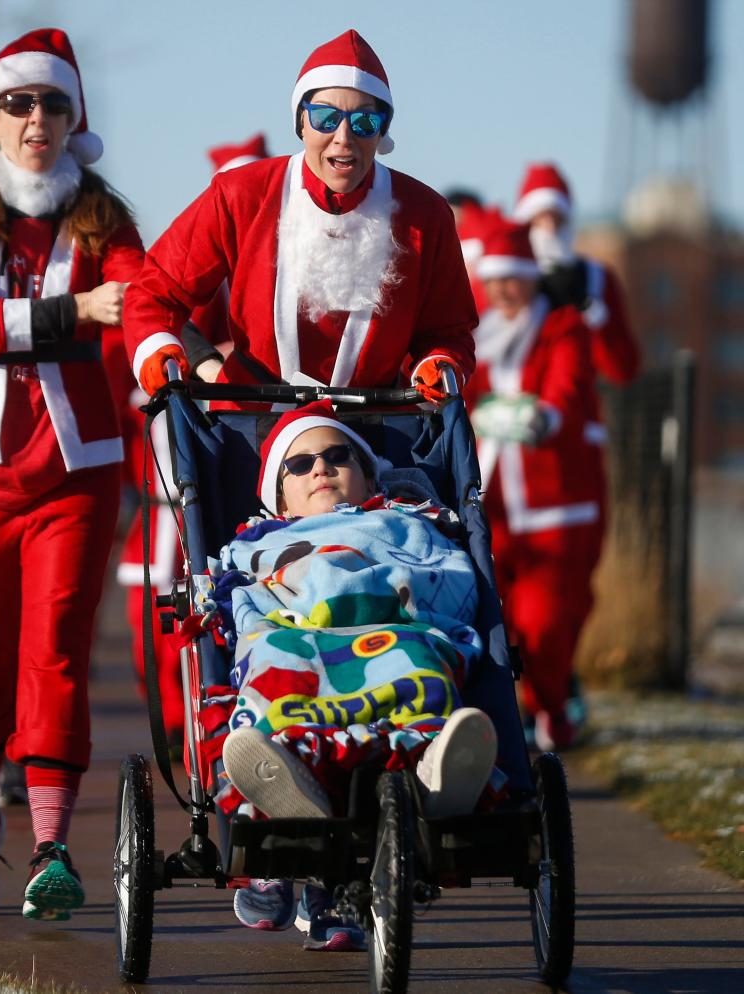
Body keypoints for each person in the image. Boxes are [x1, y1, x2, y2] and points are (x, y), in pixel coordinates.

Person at [0, 28, 144, 921]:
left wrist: (197, 344)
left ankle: (52, 847)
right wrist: (77, 309)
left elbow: (142, 296)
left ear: (74, 117)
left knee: (54, 654)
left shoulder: (104, 215)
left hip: (73, 470)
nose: (36, 119)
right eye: (18, 103)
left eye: (52, 103)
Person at [207, 401, 498, 948]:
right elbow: (241, 603)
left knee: (420, 665)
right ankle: (290, 781)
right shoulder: (258, 544)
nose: (320, 468)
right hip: (298, 635)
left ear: (368, 476)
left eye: (337, 456)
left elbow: (453, 580)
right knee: (274, 666)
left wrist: (401, 600)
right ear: (278, 498)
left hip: (397, 627)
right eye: (299, 465)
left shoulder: (405, 523)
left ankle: (432, 766)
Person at [122, 30, 477, 404]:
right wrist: (156, 348)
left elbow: (449, 331)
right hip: (250, 418)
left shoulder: (425, 213)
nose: (343, 136)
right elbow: (154, 291)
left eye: (363, 123)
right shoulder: (240, 193)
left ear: (382, 132)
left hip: (375, 428)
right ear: (301, 123)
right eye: (325, 118)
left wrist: (440, 363)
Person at [115, 134, 270, 745]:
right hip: (179, 483)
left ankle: (224, 730)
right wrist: (204, 364)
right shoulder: (197, 272)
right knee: (160, 627)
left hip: (260, 466)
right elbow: (156, 312)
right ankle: (194, 736)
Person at [463, 218, 605, 752]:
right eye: (494, 280)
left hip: (551, 509)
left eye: (514, 279)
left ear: (531, 278)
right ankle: (502, 723)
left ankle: (549, 711)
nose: (504, 291)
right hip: (489, 507)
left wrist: (541, 420)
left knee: (544, 623)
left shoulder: (562, 327)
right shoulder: (474, 331)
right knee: (491, 623)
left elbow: (565, 391)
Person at [514, 162, 641, 384]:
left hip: (578, 404)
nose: (550, 229)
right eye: (540, 219)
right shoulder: (508, 280)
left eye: (557, 218)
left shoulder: (596, 278)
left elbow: (623, 367)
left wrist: (595, 318)